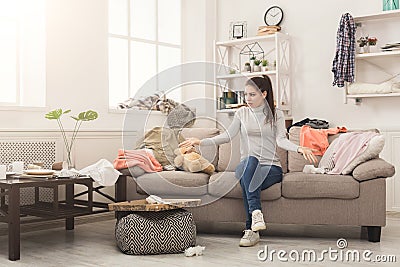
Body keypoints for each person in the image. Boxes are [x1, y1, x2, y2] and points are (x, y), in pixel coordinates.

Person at [179, 75, 317, 247]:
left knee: (248, 181)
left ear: (264, 94)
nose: (247, 99)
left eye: (252, 95)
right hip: (246, 165)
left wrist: (299, 148)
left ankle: (251, 230)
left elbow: (281, 140)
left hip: (270, 168)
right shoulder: (242, 113)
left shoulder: (276, 114)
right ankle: (256, 214)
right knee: (250, 162)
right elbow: (227, 136)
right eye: (246, 94)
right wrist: (200, 142)